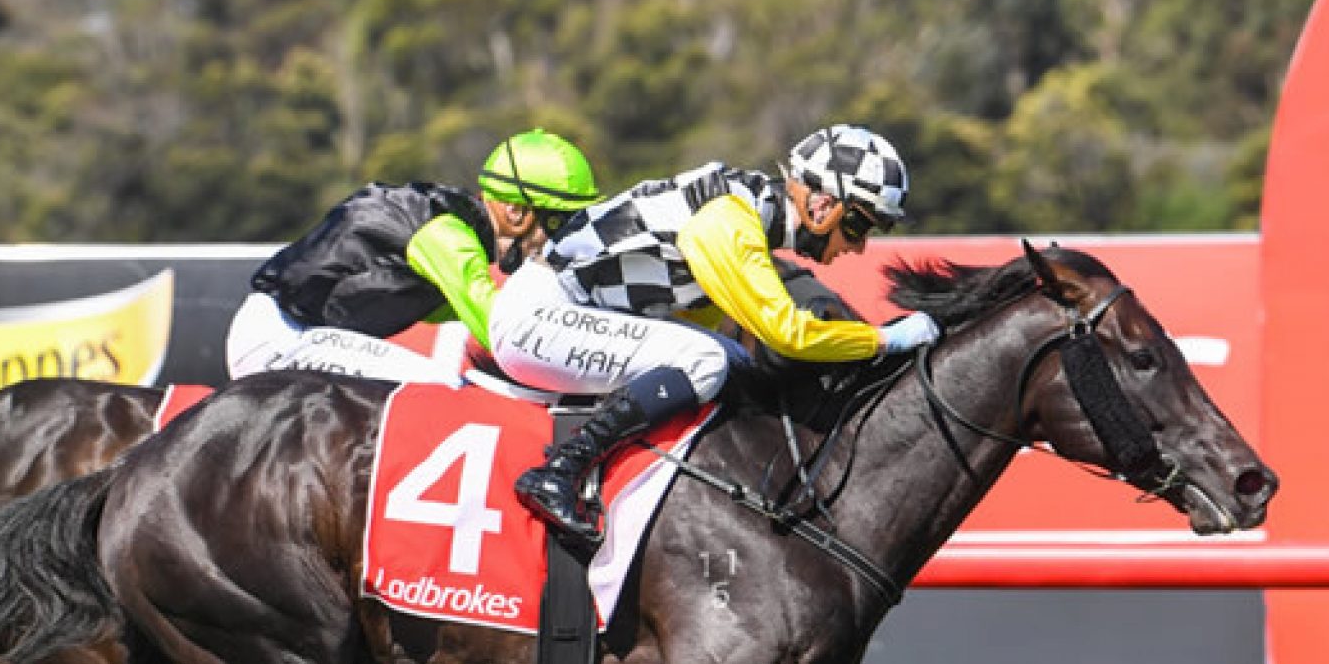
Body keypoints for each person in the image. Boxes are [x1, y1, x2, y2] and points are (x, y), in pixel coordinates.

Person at [490, 123, 942, 553]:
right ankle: (560, 470)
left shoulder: (751, 214)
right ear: (821, 205)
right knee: (707, 361)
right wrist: (885, 340)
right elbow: (789, 334)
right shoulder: (731, 218)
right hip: (538, 317)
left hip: (569, 312)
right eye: (858, 226)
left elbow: (705, 317)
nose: (858, 246)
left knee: (727, 360)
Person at [225, 129, 600, 382]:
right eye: (557, 224)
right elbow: (500, 330)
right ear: (516, 211)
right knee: (441, 389)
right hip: (280, 337)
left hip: (298, 332)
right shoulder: (446, 236)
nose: (555, 244)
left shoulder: (453, 228)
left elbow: (479, 315)